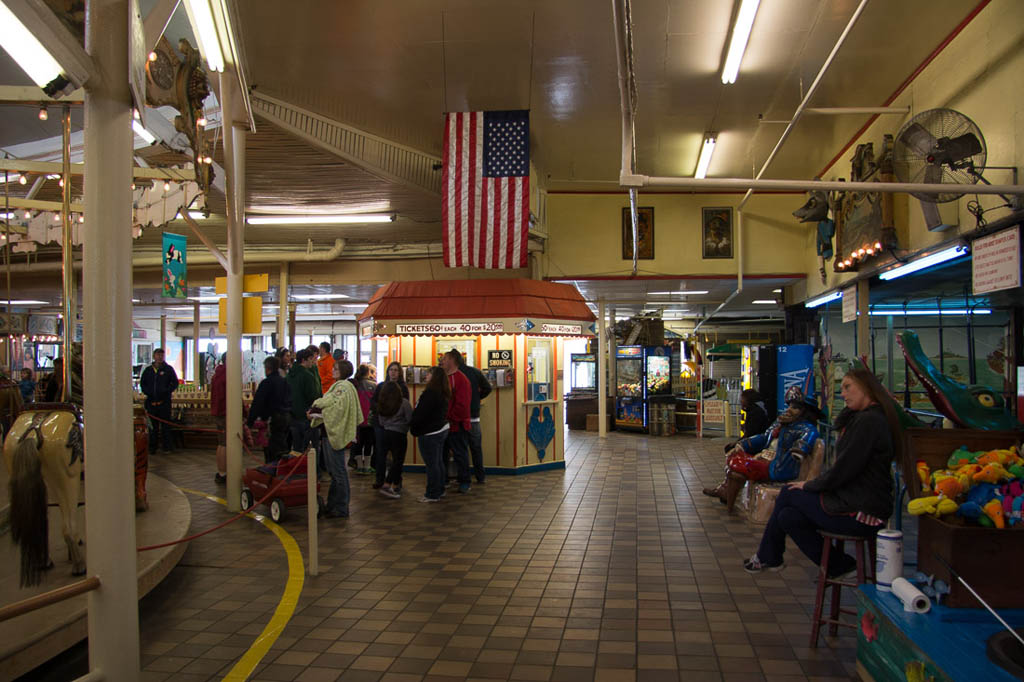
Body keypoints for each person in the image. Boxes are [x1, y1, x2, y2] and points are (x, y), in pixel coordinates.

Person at [744, 368, 904, 577]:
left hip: (863, 511)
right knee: (787, 516)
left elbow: (844, 470)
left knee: (789, 493)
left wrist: (809, 485)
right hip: (855, 502)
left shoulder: (868, 422)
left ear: (866, 388)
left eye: (848, 387)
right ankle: (839, 565)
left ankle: (767, 557)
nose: (843, 394)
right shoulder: (866, 419)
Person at [703, 386, 820, 513]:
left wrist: (799, 449)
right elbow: (765, 437)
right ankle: (725, 491)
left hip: (778, 467)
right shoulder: (783, 423)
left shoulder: (806, 429)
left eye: (795, 407)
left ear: (805, 412)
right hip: (769, 460)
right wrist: (743, 444)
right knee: (734, 457)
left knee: (737, 463)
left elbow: (804, 442)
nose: (789, 410)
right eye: (790, 406)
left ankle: (726, 496)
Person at [309, 360, 359, 518]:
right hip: (328, 433)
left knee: (338, 472)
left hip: (333, 434)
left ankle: (341, 507)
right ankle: (332, 504)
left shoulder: (342, 387)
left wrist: (317, 412)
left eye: (336, 368)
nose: (333, 370)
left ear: (343, 370)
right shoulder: (342, 387)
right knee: (335, 472)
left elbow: (337, 409)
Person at [409, 366, 451, 502]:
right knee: (438, 462)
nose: (426, 376)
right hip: (442, 429)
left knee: (432, 464)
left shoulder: (430, 393)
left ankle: (432, 493)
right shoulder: (443, 392)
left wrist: (413, 425)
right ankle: (440, 489)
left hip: (429, 432)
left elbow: (421, 413)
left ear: (435, 377)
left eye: (429, 374)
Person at [452, 350, 492, 484]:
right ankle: (480, 477)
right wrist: (476, 398)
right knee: (476, 449)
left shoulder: (451, 375)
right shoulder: (475, 372)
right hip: (474, 416)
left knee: (460, 450)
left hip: (457, 419)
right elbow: (488, 388)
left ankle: (463, 478)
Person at [370, 362, 410, 489]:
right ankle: (380, 479)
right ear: (387, 372)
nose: (393, 372)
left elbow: (405, 406)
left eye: (396, 370)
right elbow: (373, 402)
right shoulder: (381, 386)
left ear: (400, 373)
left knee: (396, 456)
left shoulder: (403, 388)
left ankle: (396, 480)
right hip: (381, 424)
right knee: (381, 453)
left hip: (394, 425)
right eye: (391, 370)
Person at [248, 356, 292, 464]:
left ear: (267, 368)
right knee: (283, 446)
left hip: (273, 419)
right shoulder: (284, 382)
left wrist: (250, 421)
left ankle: (272, 471)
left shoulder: (266, 383)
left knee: (271, 448)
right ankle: (281, 469)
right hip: (286, 417)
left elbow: (257, 403)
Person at [442, 350, 473, 493]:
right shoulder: (444, 378)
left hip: (456, 425)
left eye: (445, 358)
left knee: (460, 453)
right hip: (444, 424)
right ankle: (444, 479)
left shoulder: (461, 380)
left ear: (452, 361)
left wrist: (450, 417)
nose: (442, 360)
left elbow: (462, 404)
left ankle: (465, 481)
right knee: (442, 454)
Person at [376, 381, 412, 498]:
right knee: (398, 461)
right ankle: (387, 484)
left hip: (385, 433)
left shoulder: (382, 404)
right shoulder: (404, 403)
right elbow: (409, 419)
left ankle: (396, 485)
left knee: (387, 459)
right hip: (399, 434)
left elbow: (381, 421)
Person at [140, 348, 179, 454]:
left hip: (164, 402)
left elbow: (175, 383)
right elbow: (143, 383)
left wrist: (166, 391)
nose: (160, 357)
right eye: (158, 355)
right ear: (154, 356)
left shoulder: (168, 369)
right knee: (153, 427)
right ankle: (152, 447)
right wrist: (148, 392)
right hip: (151, 402)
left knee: (166, 426)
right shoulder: (148, 370)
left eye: (162, 355)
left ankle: (167, 447)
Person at [286, 348, 321, 457]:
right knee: (313, 448)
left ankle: (298, 470)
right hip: (307, 416)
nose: (313, 362)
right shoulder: (307, 376)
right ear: (304, 360)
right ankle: (314, 472)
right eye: (311, 359)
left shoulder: (289, 375)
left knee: (297, 448)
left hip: (292, 415)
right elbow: (313, 397)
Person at [349, 364, 376, 473]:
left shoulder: (354, 385)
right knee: (369, 443)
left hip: (357, 419)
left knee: (358, 443)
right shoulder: (374, 385)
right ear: (368, 372)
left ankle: (359, 466)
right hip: (370, 419)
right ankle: (367, 466)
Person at [210, 353, 227, 483]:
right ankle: (225, 472)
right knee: (226, 444)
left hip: (218, 413)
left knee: (221, 444)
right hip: (226, 413)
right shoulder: (228, 375)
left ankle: (222, 471)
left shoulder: (216, 375)